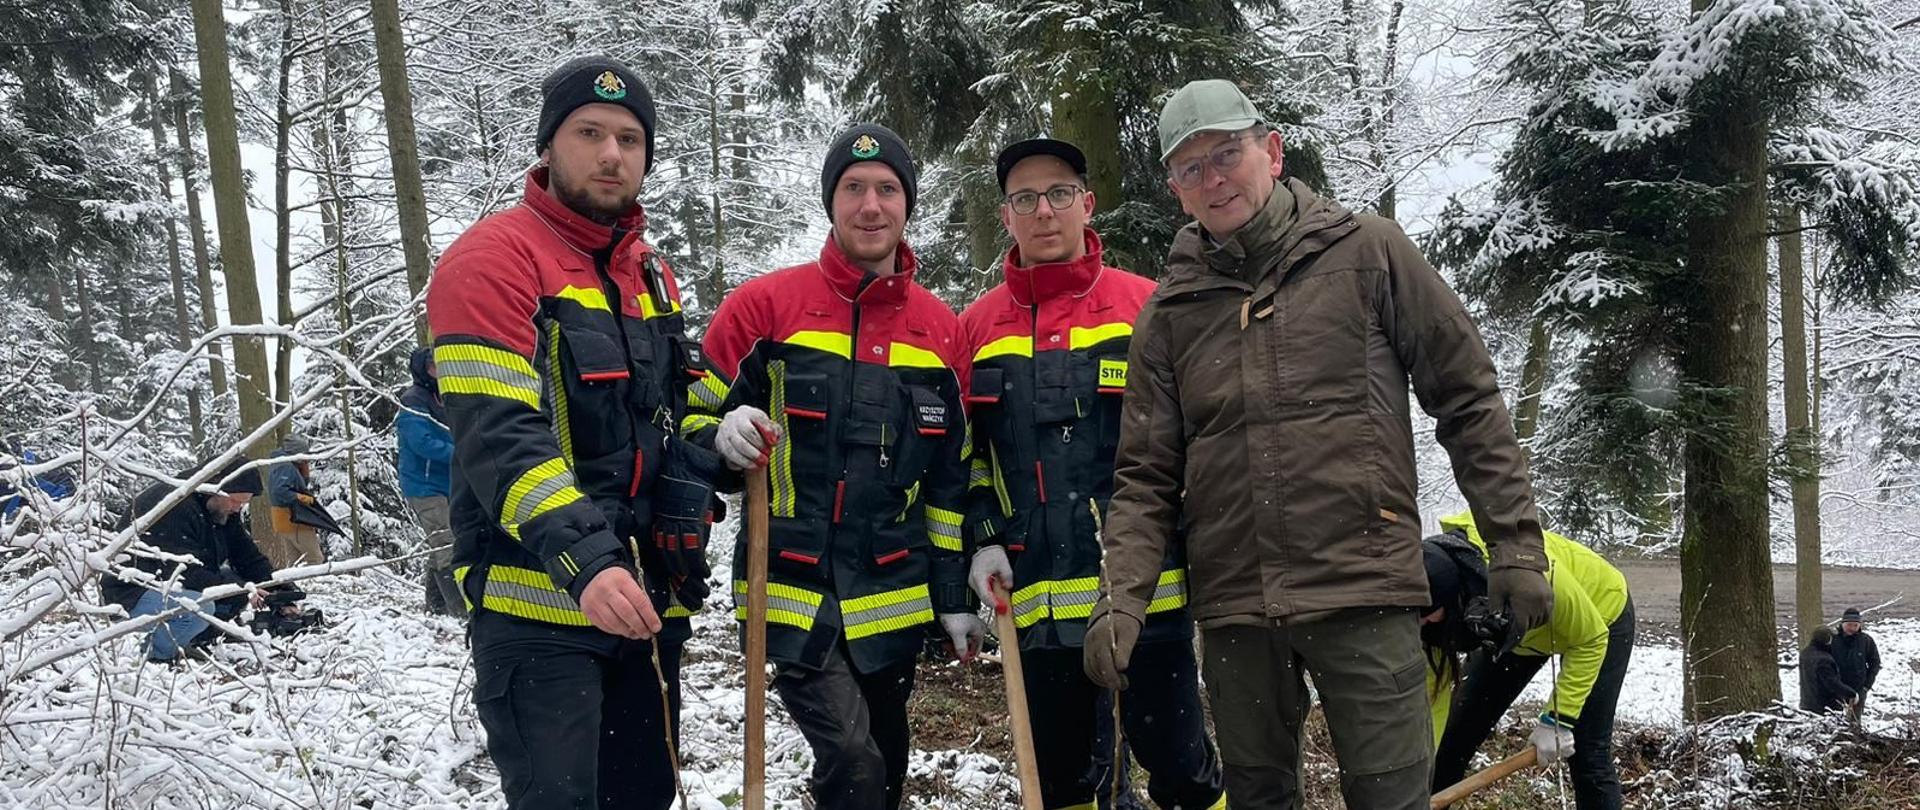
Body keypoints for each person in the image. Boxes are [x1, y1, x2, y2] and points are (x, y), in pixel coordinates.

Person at [1089, 78, 1554, 810]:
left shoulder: (1369, 254)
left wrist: (1516, 546)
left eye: (1227, 153)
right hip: (1238, 611)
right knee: (1259, 800)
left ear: (1272, 152)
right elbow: (1145, 478)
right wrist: (1120, 600)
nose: (1214, 179)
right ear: (1176, 191)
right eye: (1191, 168)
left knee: (1391, 799)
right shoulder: (1169, 314)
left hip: (1363, 590)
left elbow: (1466, 399)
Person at [425, 56, 722, 810]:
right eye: (589, 133)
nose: (611, 154)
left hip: (645, 607)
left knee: (645, 799)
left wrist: (719, 438)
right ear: (548, 145)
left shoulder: (650, 273)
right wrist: (587, 563)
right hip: (538, 612)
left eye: (630, 138)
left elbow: (674, 406)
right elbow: (501, 435)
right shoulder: (491, 258)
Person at [690, 123, 981, 810]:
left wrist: (952, 597)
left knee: (885, 768)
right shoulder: (764, 309)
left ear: (907, 205)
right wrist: (721, 438)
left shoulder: (941, 332)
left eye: (887, 190)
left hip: (894, 599)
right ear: (831, 202)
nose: (870, 205)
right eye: (853, 188)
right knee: (853, 759)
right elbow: (688, 420)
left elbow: (948, 484)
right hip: (792, 592)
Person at [960, 137, 1224, 810]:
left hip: (1149, 602)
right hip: (1036, 610)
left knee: (1185, 775)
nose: (1044, 211)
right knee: (1065, 788)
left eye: (1059, 194)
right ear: (1006, 216)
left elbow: (1201, 440)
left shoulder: (1150, 308)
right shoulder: (974, 331)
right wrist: (982, 537)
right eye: (1025, 199)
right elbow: (961, 459)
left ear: (1087, 203)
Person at [1423, 513, 1634, 810]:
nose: (1423, 622)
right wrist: (1423, 768)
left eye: (1428, 615)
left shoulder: (1532, 573)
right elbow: (1435, 692)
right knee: (1453, 739)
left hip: (1600, 616)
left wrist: (1557, 719)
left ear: (1453, 596)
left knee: (1587, 751)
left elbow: (1591, 640)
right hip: (1517, 632)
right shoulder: (1430, 607)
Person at [100, 457, 273, 664]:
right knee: (199, 609)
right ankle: (155, 657)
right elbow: (186, 574)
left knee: (231, 583)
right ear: (215, 487)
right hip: (131, 592)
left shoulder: (217, 507)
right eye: (236, 501)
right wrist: (242, 590)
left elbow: (246, 555)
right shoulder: (174, 505)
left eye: (243, 503)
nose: (238, 508)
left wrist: (279, 590)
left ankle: (189, 640)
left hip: (171, 586)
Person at [397, 346, 463, 617]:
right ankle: (460, 611)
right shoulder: (413, 400)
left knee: (441, 542)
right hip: (423, 485)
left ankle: (435, 607)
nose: (439, 370)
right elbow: (421, 443)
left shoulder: (444, 396)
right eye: (433, 366)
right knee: (446, 543)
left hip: (446, 482)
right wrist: (460, 453)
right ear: (422, 370)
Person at [264, 434, 327, 568]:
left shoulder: (280, 463)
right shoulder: (286, 466)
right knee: (314, 559)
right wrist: (302, 498)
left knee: (296, 562)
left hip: (283, 521)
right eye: (304, 454)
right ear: (296, 453)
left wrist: (304, 475)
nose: (306, 458)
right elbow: (279, 491)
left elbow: (294, 485)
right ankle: (314, 581)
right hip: (294, 520)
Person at [1832, 607, 1880, 718]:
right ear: (1842, 624)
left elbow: (1875, 663)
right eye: (1849, 625)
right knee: (1835, 720)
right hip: (1836, 689)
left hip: (1858, 690)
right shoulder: (1833, 640)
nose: (1852, 628)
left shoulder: (1866, 641)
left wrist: (1866, 686)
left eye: (1855, 625)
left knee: (1854, 722)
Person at [1801, 626, 1857, 714]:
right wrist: (1851, 693)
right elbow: (1832, 683)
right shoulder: (1824, 660)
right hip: (1825, 707)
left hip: (1807, 703)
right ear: (1827, 640)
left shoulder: (1805, 653)